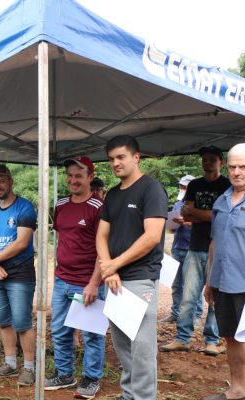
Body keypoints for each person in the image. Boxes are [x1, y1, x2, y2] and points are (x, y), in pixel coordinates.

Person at [96, 135, 167, 399]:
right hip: (115, 279)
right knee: (122, 344)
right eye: (112, 158)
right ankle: (128, 395)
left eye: (121, 157)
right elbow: (101, 236)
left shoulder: (152, 189)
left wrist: (114, 264)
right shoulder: (113, 194)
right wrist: (110, 269)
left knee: (142, 348)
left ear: (136, 157)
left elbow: (151, 237)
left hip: (140, 278)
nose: (115, 163)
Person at [45, 156, 105, 398]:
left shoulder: (99, 207)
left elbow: (104, 248)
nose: (73, 180)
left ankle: (91, 378)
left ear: (90, 177)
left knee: (91, 333)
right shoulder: (60, 204)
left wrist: (94, 282)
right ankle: (64, 373)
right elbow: (62, 237)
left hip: (87, 282)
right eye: (70, 175)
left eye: (78, 176)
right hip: (62, 279)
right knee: (59, 330)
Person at [161, 146, 230, 355]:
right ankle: (182, 338)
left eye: (211, 159)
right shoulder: (194, 185)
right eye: (204, 159)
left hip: (219, 249)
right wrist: (205, 214)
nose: (207, 162)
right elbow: (186, 215)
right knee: (189, 295)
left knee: (215, 297)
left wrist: (197, 213)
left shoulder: (227, 185)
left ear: (221, 162)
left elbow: (222, 216)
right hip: (195, 245)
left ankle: (212, 340)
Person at [203, 143, 245, 400]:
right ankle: (238, 389)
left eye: (243, 166)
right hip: (223, 283)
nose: (236, 172)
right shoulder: (221, 201)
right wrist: (210, 281)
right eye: (233, 166)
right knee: (232, 336)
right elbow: (214, 242)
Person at [0, 164, 38, 386]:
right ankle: (10, 363)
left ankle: (30, 368)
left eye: (1, 181)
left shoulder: (24, 208)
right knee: (4, 321)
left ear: (10, 181)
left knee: (22, 323)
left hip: (20, 273)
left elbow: (21, 243)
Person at [160, 174, 204, 324]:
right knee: (176, 283)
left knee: (194, 284)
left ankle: (196, 316)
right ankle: (176, 313)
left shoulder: (200, 203)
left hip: (193, 248)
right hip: (178, 247)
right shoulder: (178, 204)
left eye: (186, 186)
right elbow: (173, 228)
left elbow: (202, 225)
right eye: (181, 186)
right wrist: (172, 226)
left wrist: (185, 222)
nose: (182, 188)